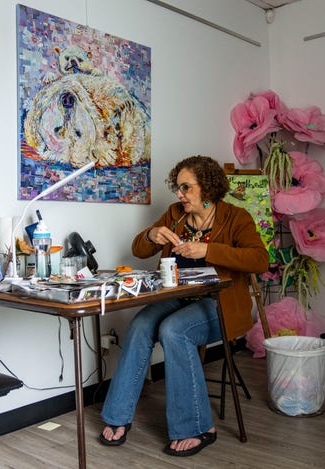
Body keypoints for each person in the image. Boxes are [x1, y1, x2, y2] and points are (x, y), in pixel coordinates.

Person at [98, 155, 271, 456]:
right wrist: (151, 235)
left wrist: (209, 249)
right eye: (177, 188)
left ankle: (199, 427)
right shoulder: (174, 214)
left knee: (174, 330)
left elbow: (259, 260)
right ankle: (117, 416)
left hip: (220, 306)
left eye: (186, 188)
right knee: (139, 324)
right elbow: (139, 250)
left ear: (207, 187)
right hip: (177, 298)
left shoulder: (236, 217)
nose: (179, 194)